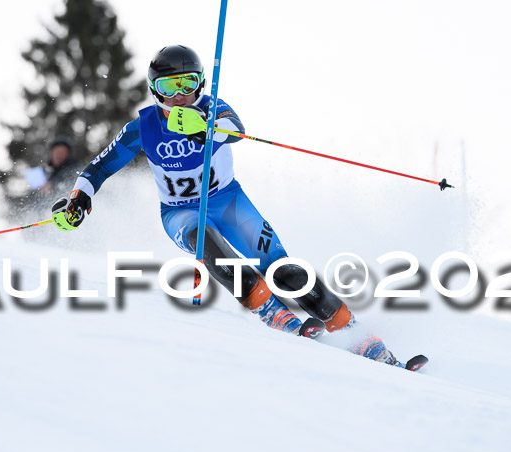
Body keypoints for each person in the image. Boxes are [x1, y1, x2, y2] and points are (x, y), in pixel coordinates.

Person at [51, 45, 402, 367]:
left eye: (187, 84)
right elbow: (100, 166)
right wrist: (80, 197)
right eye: (169, 87)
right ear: (154, 89)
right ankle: (267, 307)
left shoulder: (212, 107)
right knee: (205, 240)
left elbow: (236, 129)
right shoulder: (143, 127)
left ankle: (352, 330)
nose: (179, 96)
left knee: (284, 269)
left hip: (230, 200)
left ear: (200, 83)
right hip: (180, 211)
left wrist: (205, 128)